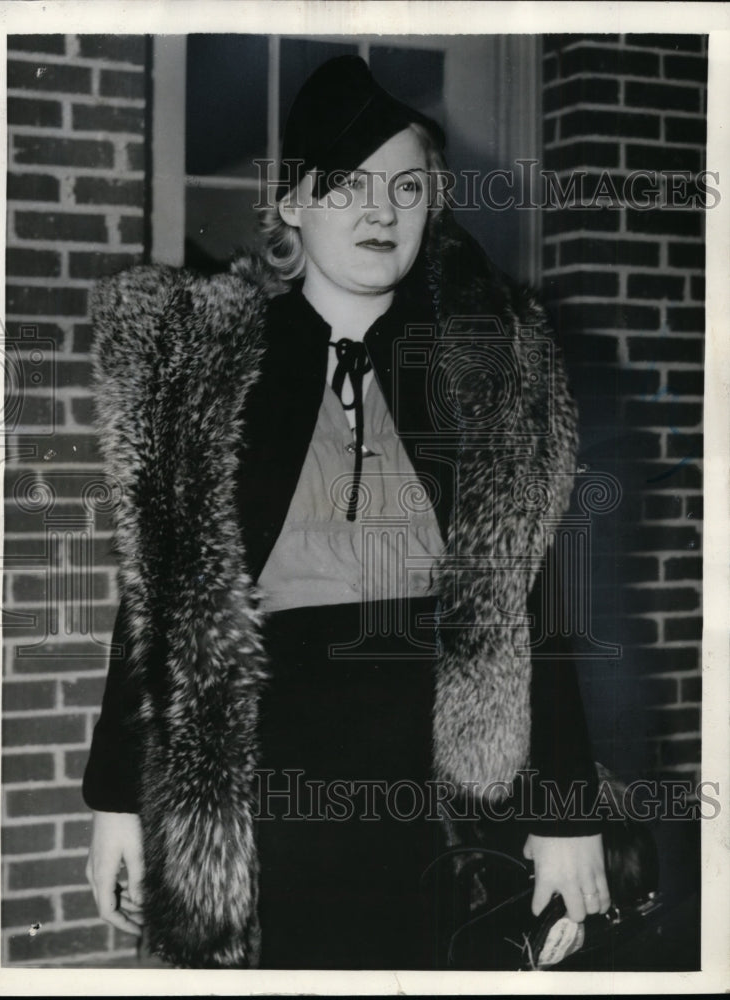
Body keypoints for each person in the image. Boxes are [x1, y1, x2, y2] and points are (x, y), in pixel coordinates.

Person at [82, 55, 610, 970]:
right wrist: (118, 802)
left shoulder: (491, 364)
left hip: (444, 794)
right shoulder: (206, 365)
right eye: (347, 186)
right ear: (290, 204)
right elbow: (158, 606)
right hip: (264, 783)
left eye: (407, 188)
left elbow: (539, 605)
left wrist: (565, 815)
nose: (381, 211)